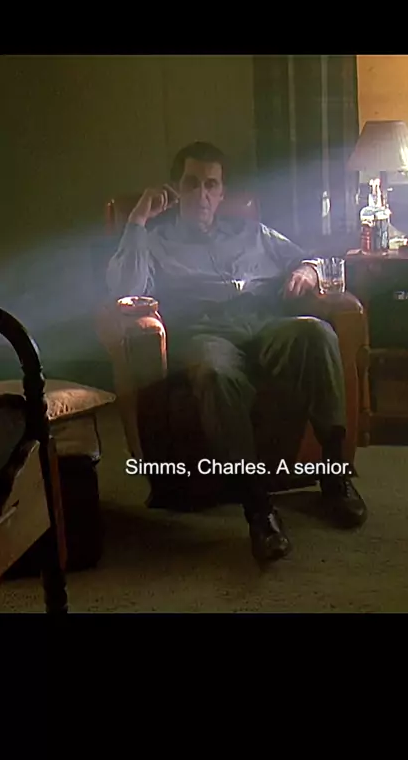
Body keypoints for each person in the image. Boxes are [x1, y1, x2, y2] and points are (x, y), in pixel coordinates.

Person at [107, 141, 367, 563]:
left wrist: (307, 270)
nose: (202, 194)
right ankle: (258, 506)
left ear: (222, 192)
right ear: (176, 188)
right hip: (205, 332)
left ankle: (334, 476)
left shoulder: (252, 233)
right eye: (192, 183)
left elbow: (311, 258)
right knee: (215, 371)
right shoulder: (154, 241)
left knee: (316, 333)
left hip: (263, 323)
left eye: (211, 185)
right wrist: (137, 219)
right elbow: (125, 289)